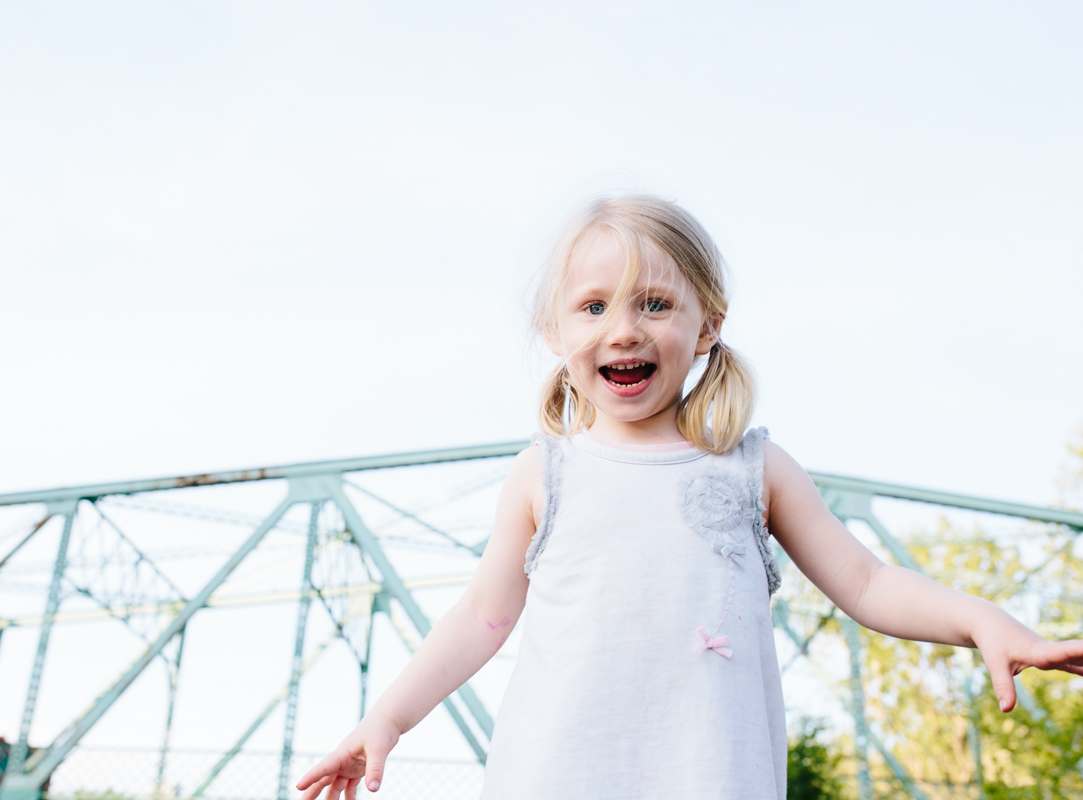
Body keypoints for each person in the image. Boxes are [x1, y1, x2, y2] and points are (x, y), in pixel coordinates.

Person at [296, 195, 1083, 799]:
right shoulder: (545, 473)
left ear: (708, 324)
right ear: (553, 329)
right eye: (595, 305)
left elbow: (868, 584)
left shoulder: (755, 470)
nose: (625, 328)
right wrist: (388, 718)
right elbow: (481, 618)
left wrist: (982, 621)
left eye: (656, 303)